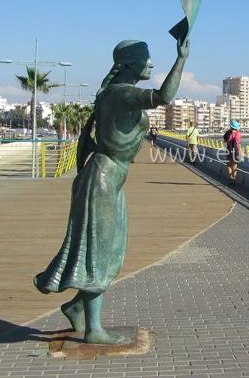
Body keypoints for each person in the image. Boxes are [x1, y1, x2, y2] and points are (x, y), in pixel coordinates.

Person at [34, 38, 190, 345]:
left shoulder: (113, 93)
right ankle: (94, 330)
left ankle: (77, 307)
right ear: (131, 64)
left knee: (111, 253)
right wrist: (182, 57)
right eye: (147, 59)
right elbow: (164, 96)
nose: (151, 64)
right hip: (103, 179)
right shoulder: (122, 93)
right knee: (100, 255)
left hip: (110, 178)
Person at [223, 120, 241, 185]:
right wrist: (239, 152)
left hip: (228, 150)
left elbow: (224, 141)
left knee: (229, 165)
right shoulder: (238, 134)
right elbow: (238, 144)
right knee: (234, 166)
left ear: (231, 126)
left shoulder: (227, 133)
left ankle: (230, 179)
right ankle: (234, 179)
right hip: (235, 151)